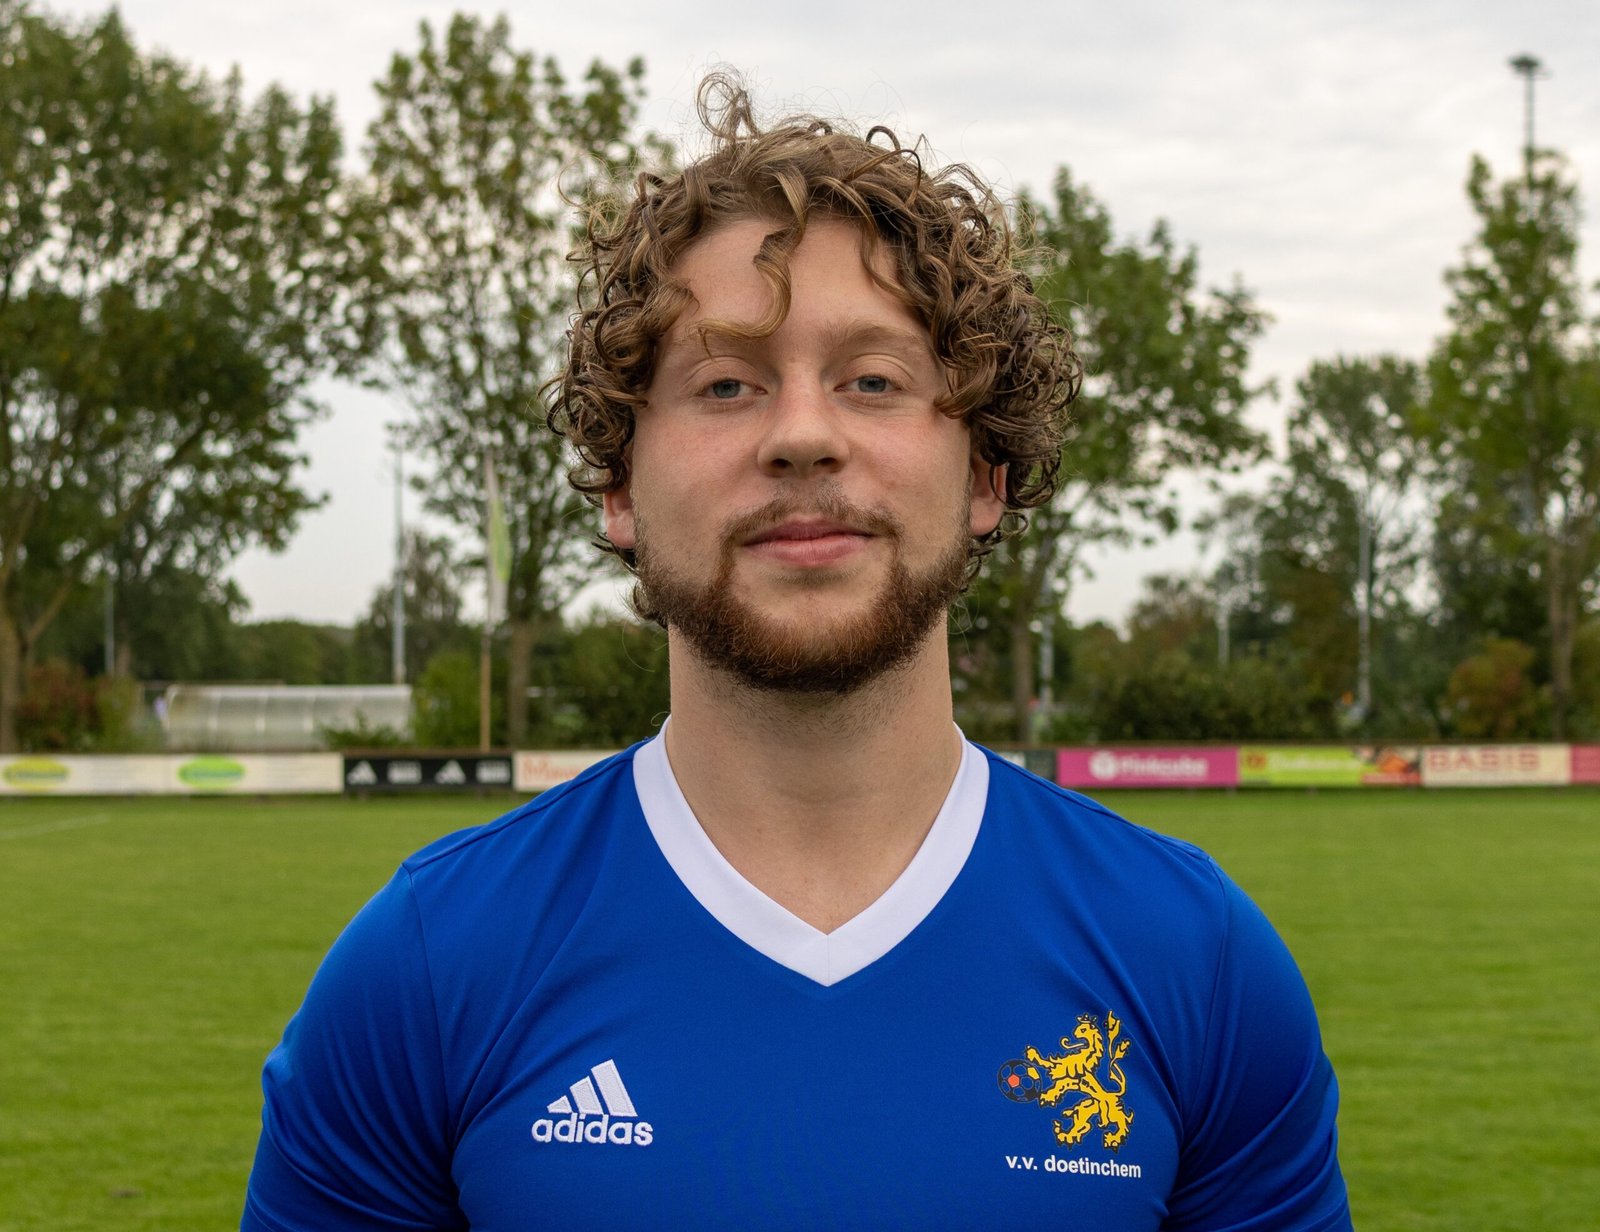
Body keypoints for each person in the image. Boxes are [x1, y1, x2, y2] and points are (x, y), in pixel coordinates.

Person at [243, 78, 1351, 1231]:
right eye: (726, 383)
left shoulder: (1195, 960)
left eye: (873, 380)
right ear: (619, 486)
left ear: (984, 473)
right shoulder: (428, 966)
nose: (804, 435)